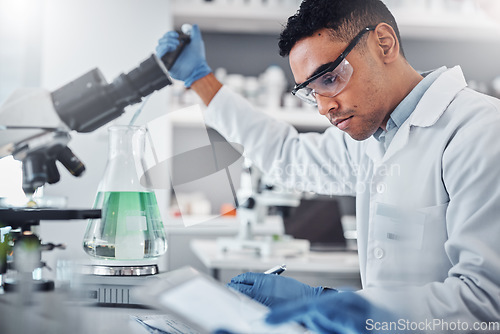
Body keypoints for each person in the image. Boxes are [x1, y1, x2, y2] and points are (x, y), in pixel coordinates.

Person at [157, 0, 500, 331]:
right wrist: (200, 79)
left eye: (331, 79)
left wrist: (344, 306)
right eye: (311, 92)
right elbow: (285, 155)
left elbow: (484, 304)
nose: (324, 109)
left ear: (384, 43)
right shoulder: (373, 139)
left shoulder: (480, 132)